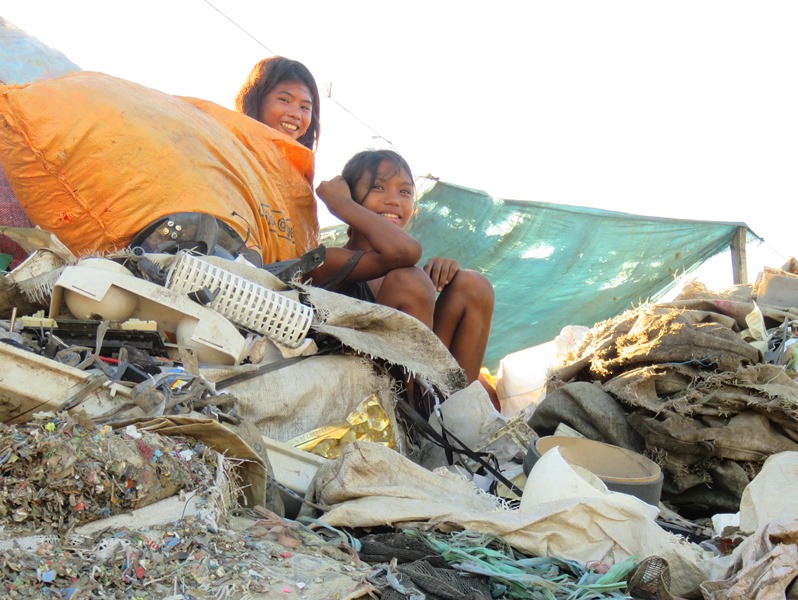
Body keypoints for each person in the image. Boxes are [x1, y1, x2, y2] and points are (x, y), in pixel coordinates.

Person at [310, 149, 499, 410]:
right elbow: (404, 252)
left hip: (428, 397)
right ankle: (410, 420)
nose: (394, 201)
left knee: (472, 284)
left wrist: (439, 278)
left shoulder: (411, 273)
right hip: (365, 397)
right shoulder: (329, 260)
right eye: (378, 187)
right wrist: (340, 205)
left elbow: (405, 255)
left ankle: (457, 422)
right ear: (350, 197)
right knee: (409, 281)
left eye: (405, 192)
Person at [235, 56, 321, 151]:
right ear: (258, 100)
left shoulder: (300, 165)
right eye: (285, 100)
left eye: (304, 107)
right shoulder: (226, 150)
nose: (296, 115)